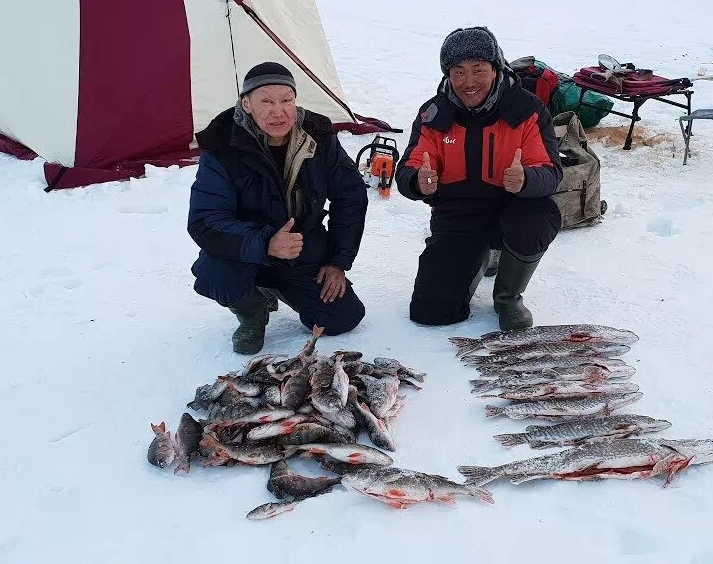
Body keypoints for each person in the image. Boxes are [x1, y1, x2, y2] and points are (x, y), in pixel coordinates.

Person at [188, 62, 367, 354]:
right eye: (266, 101)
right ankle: (251, 309)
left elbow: (351, 197)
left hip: (301, 248)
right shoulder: (222, 146)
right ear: (246, 104)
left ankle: (276, 286)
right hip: (244, 254)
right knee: (214, 273)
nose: (278, 111)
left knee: (343, 317)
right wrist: (266, 243)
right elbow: (205, 221)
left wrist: (337, 262)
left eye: (286, 100)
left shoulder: (318, 137)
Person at [396, 27, 563, 331]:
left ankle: (508, 296)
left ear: (496, 69)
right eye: (458, 71)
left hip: (513, 207)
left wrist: (526, 179)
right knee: (431, 312)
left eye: (478, 70)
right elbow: (408, 167)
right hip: (458, 214)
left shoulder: (527, 110)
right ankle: (480, 257)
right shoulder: (433, 114)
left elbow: (551, 173)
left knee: (536, 218)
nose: (468, 82)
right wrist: (417, 182)